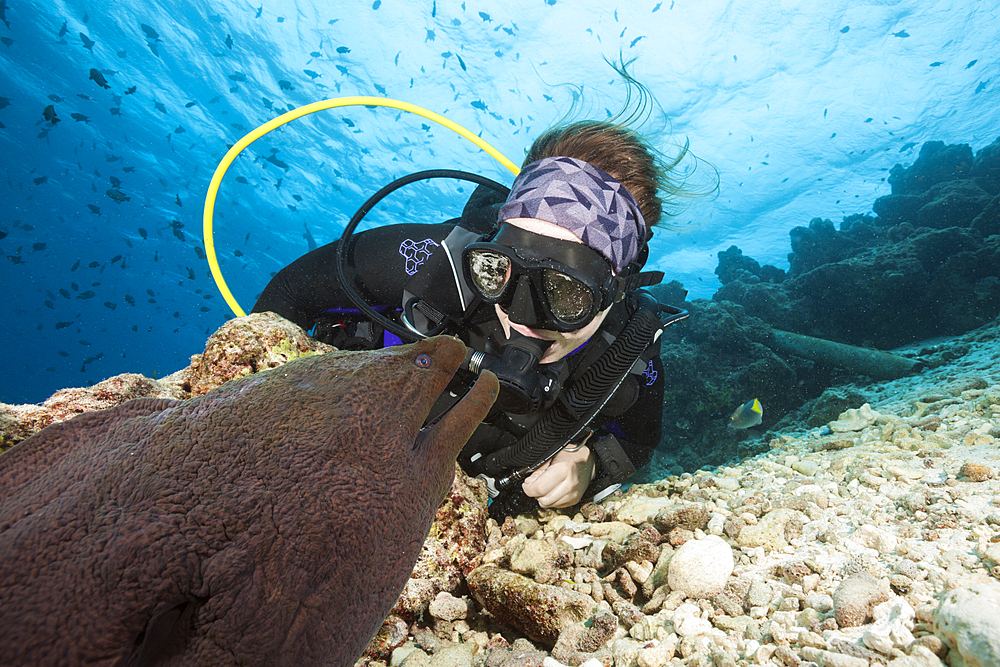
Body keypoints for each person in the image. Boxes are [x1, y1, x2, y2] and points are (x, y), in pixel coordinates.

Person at [252, 112, 702, 520]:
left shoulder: (628, 347)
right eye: (498, 272)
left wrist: (590, 467)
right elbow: (291, 290)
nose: (521, 317)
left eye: (566, 294)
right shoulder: (434, 264)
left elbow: (638, 441)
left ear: (617, 287)